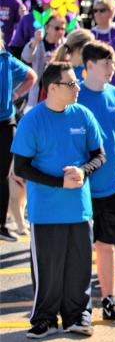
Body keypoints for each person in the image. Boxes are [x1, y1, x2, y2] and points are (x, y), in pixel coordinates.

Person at [12, 62, 106, 338]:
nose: (77, 87)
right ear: (52, 88)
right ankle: (45, 319)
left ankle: (78, 317)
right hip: (45, 211)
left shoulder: (83, 115)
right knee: (48, 271)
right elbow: (21, 167)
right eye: (71, 83)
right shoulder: (32, 120)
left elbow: (99, 155)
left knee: (79, 268)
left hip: (78, 209)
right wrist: (58, 182)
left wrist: (83, 170)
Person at [77, 41, 115, 323]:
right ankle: (80, 306)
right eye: (106, 63)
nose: (112, 68)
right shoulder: (73, 95)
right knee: (79, 247)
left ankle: (109, 302)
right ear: (88, 66)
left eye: (112, 62)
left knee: (107, 244)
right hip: (82, 186)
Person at [0, 41, 36, 241]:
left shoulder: (6, 59)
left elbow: (31, 76)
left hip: (5, 122)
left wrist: (15, 94)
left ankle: (1, 225)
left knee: (4, 174)